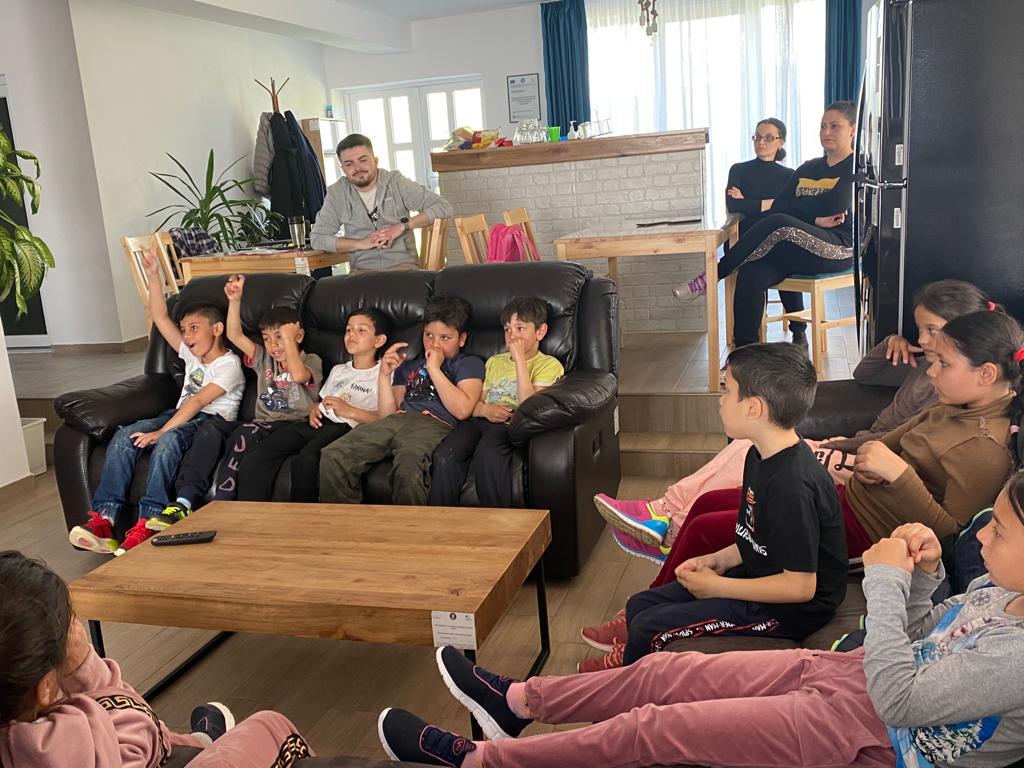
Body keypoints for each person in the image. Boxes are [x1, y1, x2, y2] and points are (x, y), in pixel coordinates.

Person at [377, 474, 1024, 768]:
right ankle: (520, 701)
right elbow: (919, 640)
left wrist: (885, 581)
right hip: (843, 673)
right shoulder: (994, 592)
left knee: (655, 730)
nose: (980, 536)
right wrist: (926, 579)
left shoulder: (1017, 658)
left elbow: (900, 699)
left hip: (870, 735)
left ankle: (480, 761)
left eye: (998, 529)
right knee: (663, 672)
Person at [586, 309, 1023, 654]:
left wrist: (900, 475)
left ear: (986, 374)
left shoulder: (985, 448)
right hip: (854, 494)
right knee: (707, 504)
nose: (930, 371)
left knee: (705, 526)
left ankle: (646, 612)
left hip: (871, 527)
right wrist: (832, 449)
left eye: (943, 363)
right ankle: (657, 572)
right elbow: (884, 440)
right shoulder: (951, 407)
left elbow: (952, 536)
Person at [596, 279, 996, 560]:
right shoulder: (925, 366)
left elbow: (943, 517)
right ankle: (666, 515)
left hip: (864, 464)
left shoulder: (953, 396)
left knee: (756, 447)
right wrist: (890, 344)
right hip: (860, 452)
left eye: (932, 331)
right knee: (748, 448)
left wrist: (845, 447)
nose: (923, 340)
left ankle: (667, 519)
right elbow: (865, 375)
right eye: (921, 329)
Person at [579, 343, 847, 672]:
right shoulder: (758, 455)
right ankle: (629, 657)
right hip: (761, 577)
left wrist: (718, 587)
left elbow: (801, 587)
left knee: (651, 626)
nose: (720, 400)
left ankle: (624, 684)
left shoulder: (792, 486)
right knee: (641, 604)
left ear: (754, 408)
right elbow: (755, 537)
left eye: (727, 390)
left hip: (788, 611)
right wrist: (716, 560)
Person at [0, 550, 315, 767]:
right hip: (150, 748)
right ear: (44, 687)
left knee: (175, 741)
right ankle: (202, 743)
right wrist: (81, 665)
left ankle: (198, 740)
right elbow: (140, 727)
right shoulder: (51, 745)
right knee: (267, 725)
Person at [68, 250, 244, 555]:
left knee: (167, 441)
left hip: (209, 420)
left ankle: (148, 521)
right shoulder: (190, 354)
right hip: (178, 413)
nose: (186, 336)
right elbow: (160, 317)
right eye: (184, 329)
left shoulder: (229, 365)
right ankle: (106, 519)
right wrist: (153, 276)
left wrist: (161, 432)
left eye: (194, 328)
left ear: (217, 329)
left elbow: (197, 402)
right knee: (125, 436)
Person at [676, 101, 858, 348]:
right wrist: (814, 218)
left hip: (837, 248)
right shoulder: (807, 168)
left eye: (834, 126)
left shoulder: (857, 166)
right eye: (823, 126)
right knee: (750, 272)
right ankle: (744, 354)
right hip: (796, 248)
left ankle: (712, 275)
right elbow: (779, 205)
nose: (826, 132)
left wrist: (801, 208)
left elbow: (835, 203)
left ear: (852, 130)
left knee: (779, 222)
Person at [146, 275, 322, 530]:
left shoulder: (312, 360)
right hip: (261, 424)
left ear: (299, 335)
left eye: (280, 338)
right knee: (216, 429)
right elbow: (235, 334)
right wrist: (235, 300)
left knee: (245, 435)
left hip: (293, 425)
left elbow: (297, 375)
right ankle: (193, 502)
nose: (274, 345)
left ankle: (225, 505)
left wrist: (289, 340)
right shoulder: (263, 359)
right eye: (267, 338)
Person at [318, 296, 485, 505]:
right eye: (428, 335)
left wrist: (434, 369)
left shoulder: (467, 363)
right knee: (334, 454)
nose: (434, 344)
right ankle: (344, 523)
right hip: (398, 419)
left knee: (408, 463)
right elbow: (388, 414)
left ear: (462, 339)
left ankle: (409, 525)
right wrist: (385, 375)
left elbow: (462, 410)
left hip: (433, 422)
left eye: (445, 338)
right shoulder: (408, 366)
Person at [236, 308, 390, 503]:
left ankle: (302, 517)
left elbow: (388, 420)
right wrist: (314, 410)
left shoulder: (385, 373)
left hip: (347, 428)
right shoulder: (338, 370)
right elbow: (318, 401)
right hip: (318, 423)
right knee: (257, 455)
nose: (351, 335)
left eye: (361, 330)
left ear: (379, 340)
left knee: (307, 459)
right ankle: (251, 516)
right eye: (348, 330)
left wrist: (349, 411)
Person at [430, 297, 564, 506]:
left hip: (511, 423)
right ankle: (441, 517)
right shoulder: (494, 362)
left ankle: (498, 519)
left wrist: (519, 360)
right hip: (480, 420)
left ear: (540, 332)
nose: (512, 336)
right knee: (445, 454)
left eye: (520, 328)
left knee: (488, 454)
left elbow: (529, 406)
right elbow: (474, 404)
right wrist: (485, 410)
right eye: (507, 329)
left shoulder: (549, 364)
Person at [309, 133, 454, 272]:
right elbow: (318, 238)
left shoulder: (396, 182)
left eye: (363, 160)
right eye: (349, 164)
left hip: (403, 270)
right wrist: (360, 244)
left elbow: (443, 206)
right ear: (343, 169)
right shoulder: (337, 193)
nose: (357, 168)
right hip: (361, 274)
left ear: (375, 160)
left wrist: (402, 226)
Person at [724, 117, 793, 235]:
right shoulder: (738, 169)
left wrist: (746, 202)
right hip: (746, 232)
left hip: (778, 232)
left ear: (780, 143)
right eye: (758, 137)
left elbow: (789, 208)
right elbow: (733, 205)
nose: (761, 142)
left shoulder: (790, 175)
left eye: (769, 138)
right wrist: (773, 203)